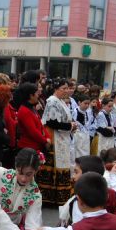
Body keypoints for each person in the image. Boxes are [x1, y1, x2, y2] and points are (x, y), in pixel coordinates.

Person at [37, 78, 77, 206]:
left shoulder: (60, 101)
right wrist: (70, 126)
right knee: (53, 167)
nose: (66, 91)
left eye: (67, 88)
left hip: (62, 137)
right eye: (63, 88)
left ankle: (58, 197)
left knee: (62, 164)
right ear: (56, 89)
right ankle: (49, 198)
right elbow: (52, 122)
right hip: (55, 137)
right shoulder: (52, 101)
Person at [16, 82, 50, 152]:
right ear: (31, 95)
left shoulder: (32, 108)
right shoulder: (24, 111)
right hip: (28, 148)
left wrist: (47, 138)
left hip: (36, 146)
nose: (38, 95)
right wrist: (45, 141)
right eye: (37, 93)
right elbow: (33, 131)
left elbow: (41, 125)